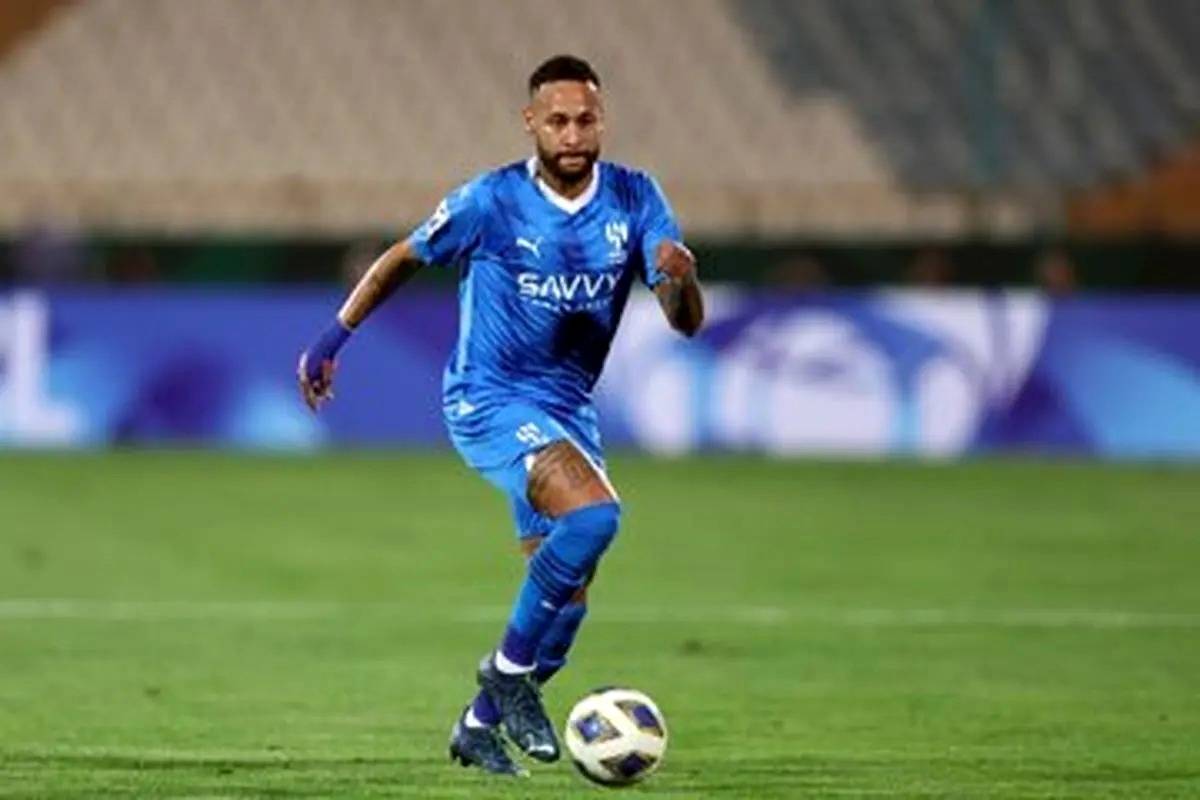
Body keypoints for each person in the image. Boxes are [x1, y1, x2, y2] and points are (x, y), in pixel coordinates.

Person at [297, 54, 704, 778]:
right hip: (488, 399)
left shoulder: (636, 197)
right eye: (558, 120)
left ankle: (478, 726)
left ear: (602, 121)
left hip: (566, 410)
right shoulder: (490, 201)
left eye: (585, 120)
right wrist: (333, 339)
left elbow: (685, 321)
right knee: (594, 519)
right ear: (530, 123)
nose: (572, 134)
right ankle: (506, 675)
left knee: (565, 609)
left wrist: (681, 277)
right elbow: (402, 257)